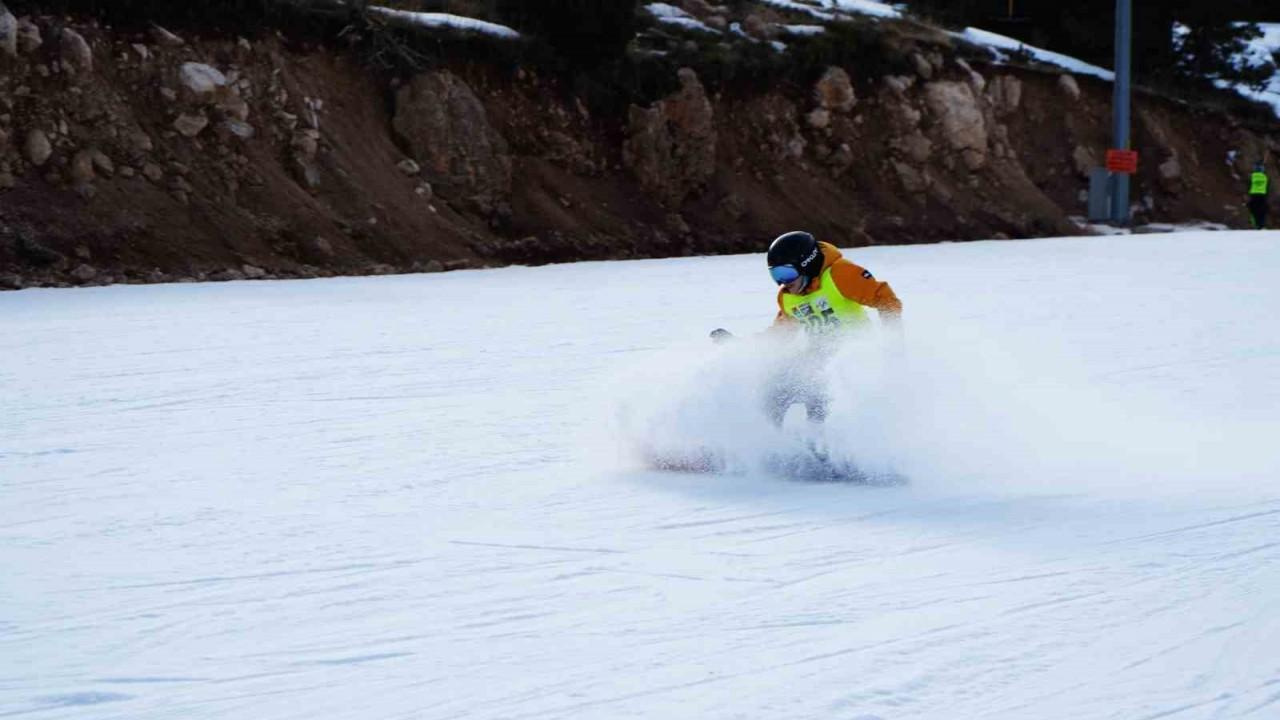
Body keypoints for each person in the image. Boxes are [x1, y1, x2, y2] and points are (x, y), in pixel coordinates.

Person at [761, 230, 903, 426]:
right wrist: (740, 347)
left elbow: (886, 299)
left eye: (786, 273)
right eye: (775, 275)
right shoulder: (788, 297)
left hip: (852, 359)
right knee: (774, 391)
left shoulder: (840, 275)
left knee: (820, 397)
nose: (783, 282)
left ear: (807, 264)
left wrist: (892, 340)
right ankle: (767, 446)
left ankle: (826, 446)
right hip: (816, 358)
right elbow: (780, 334)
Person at [1248, 162, 1269, 229]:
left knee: (1253, 211)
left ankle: (1255, 224)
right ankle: (1261, 225)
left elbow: (1248, 184)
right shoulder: (1265, 177)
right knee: (1262, 211)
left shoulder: (1252, 176)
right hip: (1262, 195)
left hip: (1253, 195)